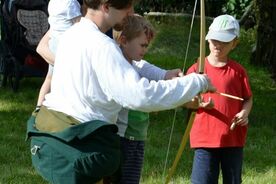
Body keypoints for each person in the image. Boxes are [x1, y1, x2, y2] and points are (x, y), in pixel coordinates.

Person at [26, 0, 216, 183]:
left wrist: (165, 75)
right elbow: (141, 96)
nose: (131, 11)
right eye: (127, 5)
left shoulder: (72, 34)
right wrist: (197, 82)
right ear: (106, 6)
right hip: (78, 148)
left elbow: (133, 67)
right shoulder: (102, 46)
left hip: (54, 141)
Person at [112, 15, 183, 184]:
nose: (144, 50)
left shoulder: (135, 64)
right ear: (123, 40)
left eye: (147, 46)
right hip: (123, 139)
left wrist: (166, 75)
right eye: (142, 45)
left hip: (136, 138)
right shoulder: (118, 65)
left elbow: (145, 67)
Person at [185, 15, 253, 184]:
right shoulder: (196, 69)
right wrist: (199, 104)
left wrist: (244, 112)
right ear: (207, 39)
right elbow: (185, 101)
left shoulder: (238, 71)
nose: (218, 44)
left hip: (232, 138)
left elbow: (247, 99)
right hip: (205, 139)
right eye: (215, 39)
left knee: (233, 180)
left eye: (224, 41)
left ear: (234, 43)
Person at [35, 0, 82, 110]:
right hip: (66, 45)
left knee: (49, 78)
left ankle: (38, 107)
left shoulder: (53, 2)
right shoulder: (71, 2)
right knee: (72, 77)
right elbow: (79, 25)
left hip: (53, 43)